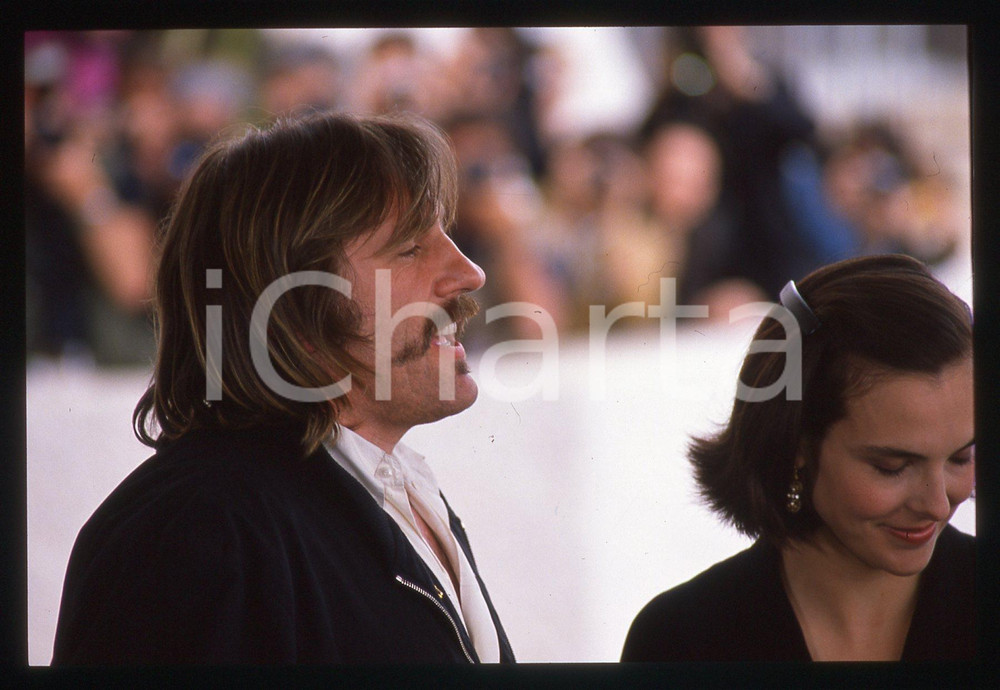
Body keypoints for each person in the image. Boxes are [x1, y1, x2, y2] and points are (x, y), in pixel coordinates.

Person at [52, 111, 515, 664]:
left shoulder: (393, 489)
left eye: (447, 234)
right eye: (410, 248)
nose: (469, 273)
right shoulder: (196, 533)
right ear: (291, 308)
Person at [622, 254, 974, 661]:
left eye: (960, 459)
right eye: (891, 467)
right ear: (797, 445)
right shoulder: (681, 639)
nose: (937, 503)